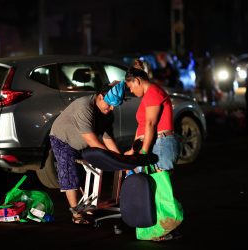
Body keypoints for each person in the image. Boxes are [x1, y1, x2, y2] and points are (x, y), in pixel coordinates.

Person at [49, 81, 125, 225]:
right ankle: (77, 214)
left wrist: (121, 160)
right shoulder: (84, 107)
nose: (112, 108)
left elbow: (107, 138)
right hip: (62, 139)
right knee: (70, 174)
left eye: (115, 105)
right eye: (109, 104)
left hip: (81, 143)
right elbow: (92, 141)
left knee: (88, 173)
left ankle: (87, 206)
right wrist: (112, 158)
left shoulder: (107, 113)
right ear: (100, 97)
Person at [124, 59, 182, 240]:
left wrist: (142, 153)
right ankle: (160, 228)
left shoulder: (153, 93)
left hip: (161, 144)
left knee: (159, 188)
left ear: (138, 81)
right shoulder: (147, 96)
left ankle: (164, 229)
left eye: (131, 86)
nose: (131, 91)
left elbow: (150, 124)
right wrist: (134, 150)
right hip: (154, 144)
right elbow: (142, 127)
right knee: (154, 188)